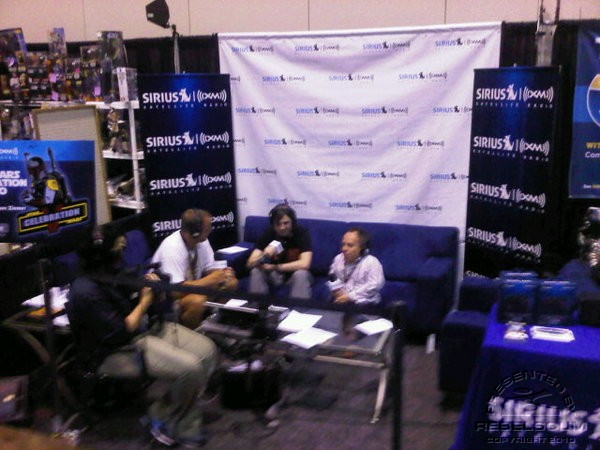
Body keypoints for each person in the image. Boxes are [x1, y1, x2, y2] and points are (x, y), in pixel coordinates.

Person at [66, 223, 217, 447]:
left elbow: (136, 290)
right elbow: (121, 331)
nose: (122, 252)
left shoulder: (112, 271)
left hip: (143, 331)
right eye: (119, 248)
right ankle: (181, 425)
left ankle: (162, 410)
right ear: (103, 252)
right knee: (190, 369)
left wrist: (151, 285)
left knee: (208, 352)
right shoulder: (85, 290)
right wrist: (145, 301)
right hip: (113, 351)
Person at [152, 208, 238, 329]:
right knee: (198, 300)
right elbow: (175, 291)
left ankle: (214, 323)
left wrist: (223, 274)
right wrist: (211, 280)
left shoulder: (202, 241)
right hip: (168, 299)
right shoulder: (171, 249)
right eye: (207, 229)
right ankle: (193, 334)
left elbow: (210, 268)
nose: (211, 230)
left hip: (194, 288)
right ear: (194, 233)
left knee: (231, 283)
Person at [246, 204, 313, 299]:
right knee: (256, 271)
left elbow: (305, 264)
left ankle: (298, 308)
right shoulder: (268, 234)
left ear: (293, 222)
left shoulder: (301, 233)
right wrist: (265, 254)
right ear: (273, 225)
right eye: (278, 224)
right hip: (274, 275)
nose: (282, 227)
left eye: (286, 223)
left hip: (294, 275)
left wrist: (276, 267)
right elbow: (249, 263)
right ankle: (257, 306)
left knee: (301, 274)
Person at [328, 227, 385, 334]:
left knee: (351, 334)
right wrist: (336, 290)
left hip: (365, 305)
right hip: (341, 302)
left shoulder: (372, 262)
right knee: (326, 326)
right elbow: (332, 275)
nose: (344, 248)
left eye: (350, 245)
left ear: (362, 248)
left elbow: (375, 285)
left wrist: (350, 296)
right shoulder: (338, 259)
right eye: (343, 244)